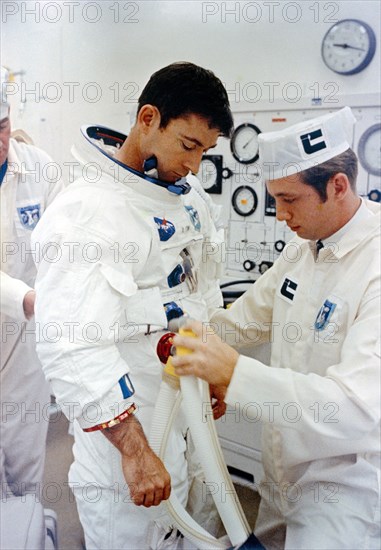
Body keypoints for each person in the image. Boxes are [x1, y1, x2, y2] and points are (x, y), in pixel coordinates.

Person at [31, 62, 233, 549]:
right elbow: (72, 345)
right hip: (124, 446)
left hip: (182, 420)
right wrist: (135, 450)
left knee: (185, 531)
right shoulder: (87, 213)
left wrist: (209, 368)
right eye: (188, 146)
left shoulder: (190, 200)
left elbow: (203, 294)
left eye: (205, 151)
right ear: (148, 119)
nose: (194, 165)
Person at [172, 107, 381, 550]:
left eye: (289, 200)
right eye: (274, 200)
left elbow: (357, 410)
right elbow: (246, 319)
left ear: (338, 186)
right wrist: (189, 336)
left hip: (344, 492)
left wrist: (233, 374)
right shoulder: (303, 246)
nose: (280, 215)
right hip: (281, 474)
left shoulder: (374, 263)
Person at [0, 66, 64, 501]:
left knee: (25, 460)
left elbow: (65, 242)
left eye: (1, 126)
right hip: (27, 307)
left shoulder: (40, 170)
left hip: (27, 345)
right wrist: (24, 297)